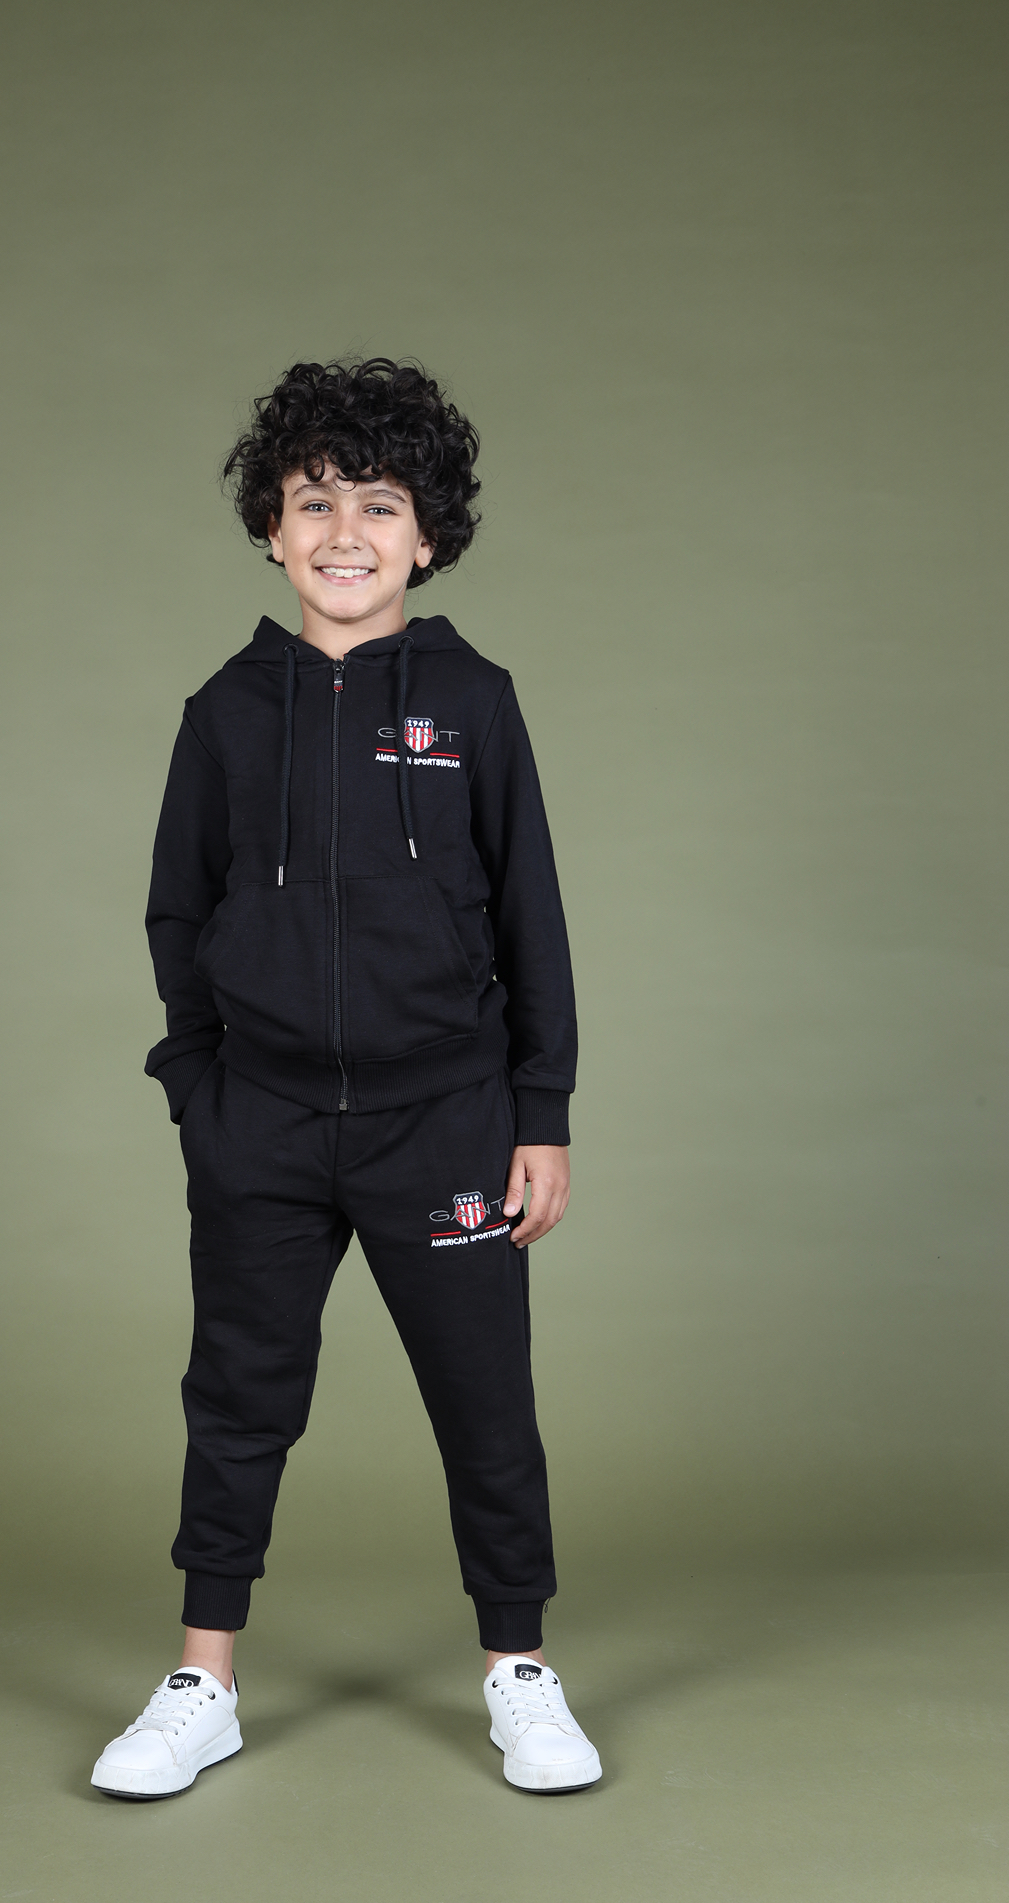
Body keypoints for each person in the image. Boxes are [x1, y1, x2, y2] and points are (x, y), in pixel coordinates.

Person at [92, 358, 601, 1800]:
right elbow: (176, 911)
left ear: (426, 538)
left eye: (379, 505)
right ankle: (202, 1682)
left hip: (444, 1120)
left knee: (484, 1404)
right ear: (271, 528)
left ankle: (518, 1671)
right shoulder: (224, 710)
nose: (344, 532)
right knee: (237, 1400)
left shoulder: (473, 701)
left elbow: (532, 916)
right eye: (314, 501)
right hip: (259, 1125)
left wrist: (541, 1114)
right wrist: (199, 1088)